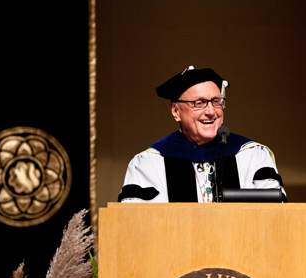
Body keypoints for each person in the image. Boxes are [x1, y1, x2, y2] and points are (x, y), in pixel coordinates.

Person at [118, 66, 286, 203]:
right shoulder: (149, 164)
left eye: (216, 102)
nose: (211, 111)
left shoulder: (252, 156)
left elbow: (275, 213)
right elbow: (135, 224)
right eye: (199, 103)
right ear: (176, 111)